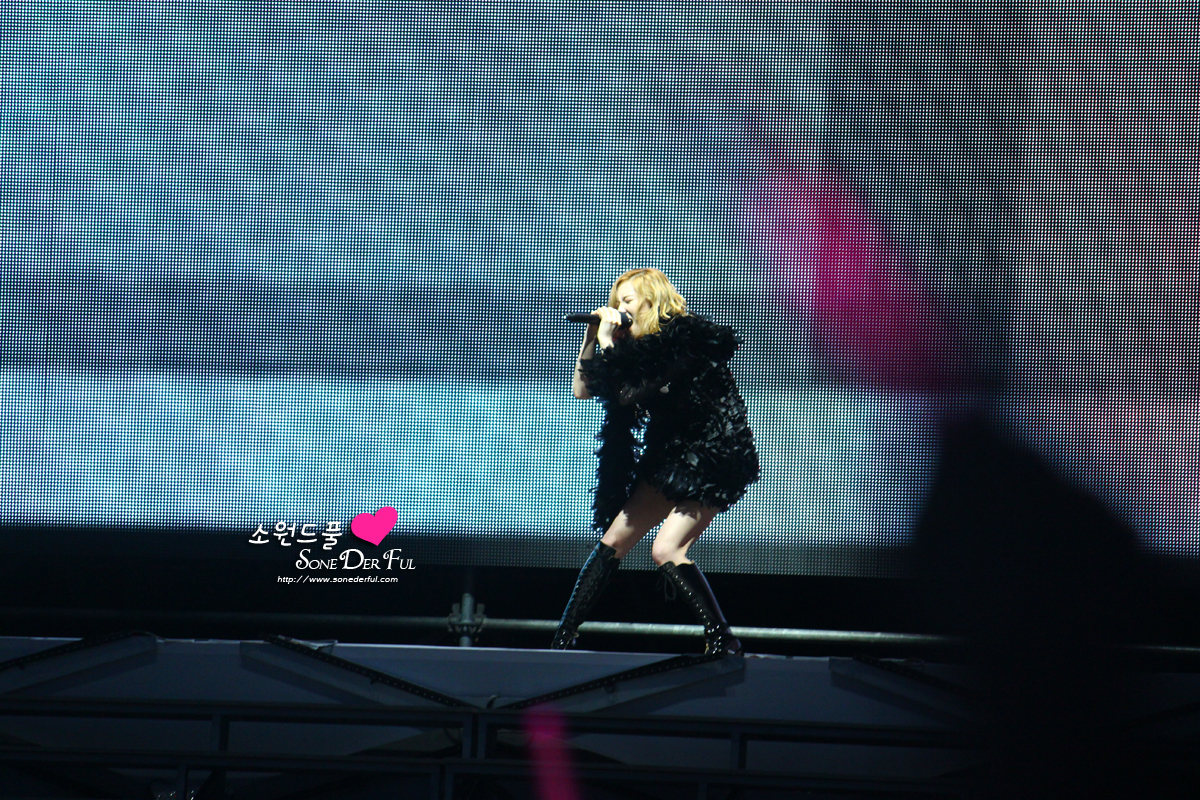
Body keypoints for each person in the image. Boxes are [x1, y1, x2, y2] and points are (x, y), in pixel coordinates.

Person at [552, 268, 760, 655]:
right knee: (613, 541)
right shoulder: (632, 349)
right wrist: (592, 338)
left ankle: (723, 639)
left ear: (652, 301)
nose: (619, 308)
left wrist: (607, 343)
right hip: (669, 454)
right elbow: (583, 389)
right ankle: (563, 640)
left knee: (666, 549)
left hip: (712, 455)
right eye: (616, 302)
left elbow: (630, 394)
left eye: (627, 301)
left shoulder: (686, 341)